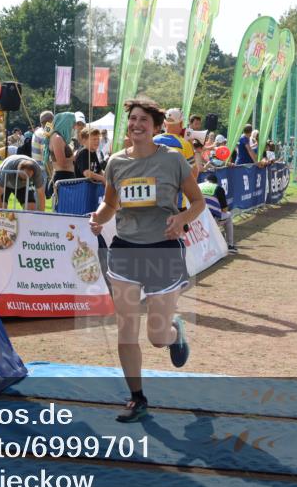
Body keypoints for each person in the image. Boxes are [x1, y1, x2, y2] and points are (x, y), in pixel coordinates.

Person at [89, 97, 205, 422]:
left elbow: (198, 202)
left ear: (155, 128)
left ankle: (174, 333)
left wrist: (182, 218)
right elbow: (110, 205)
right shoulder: (115, 163)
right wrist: (98, 217)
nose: (137, 125)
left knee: (155, 336)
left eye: (144, 121)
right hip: (125, 249)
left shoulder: (172, 160)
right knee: (126, 328)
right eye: (133, 120)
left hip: (163, 251)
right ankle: (137, 397)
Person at [153, 107, 198, 179]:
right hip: (175, 188)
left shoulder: (153, 140)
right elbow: (194, 173)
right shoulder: (185, 144)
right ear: (181, 124)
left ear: (164, 124)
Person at [200, 172, 236, 253]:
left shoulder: (198, 186)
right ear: (215, 182)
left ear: (206, 181)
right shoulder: (218, 188)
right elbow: (224, 210)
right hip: (209, 220)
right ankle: (230, 245)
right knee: (229, 216)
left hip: (195, 219)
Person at [49, 112, 77, 194]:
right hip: (62, 177)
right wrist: (75, 156)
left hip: (66, 177)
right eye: (73, 123)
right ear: (66, 123)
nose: (74, 127)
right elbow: (62, 163)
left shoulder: (59, 137)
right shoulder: (57, 138)